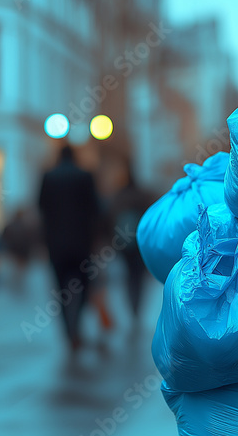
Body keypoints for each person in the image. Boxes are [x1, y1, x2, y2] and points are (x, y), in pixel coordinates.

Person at [38, 145, 100, 351]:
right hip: (82, 244)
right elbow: (96, 209)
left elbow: (41, 208)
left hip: (56, 245)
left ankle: (68, 330)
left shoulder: (48, 177)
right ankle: (77, 326)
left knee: (61, 290)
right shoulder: (84, 176)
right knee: (83, 287)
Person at [106, 160, 155, 322]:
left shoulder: (118, 196)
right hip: (140, 241)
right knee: (138, 276)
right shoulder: (143, 194)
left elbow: (110, 220)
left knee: (129, 276)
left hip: (124, 243)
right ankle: (137, 306)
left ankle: (132, 307)